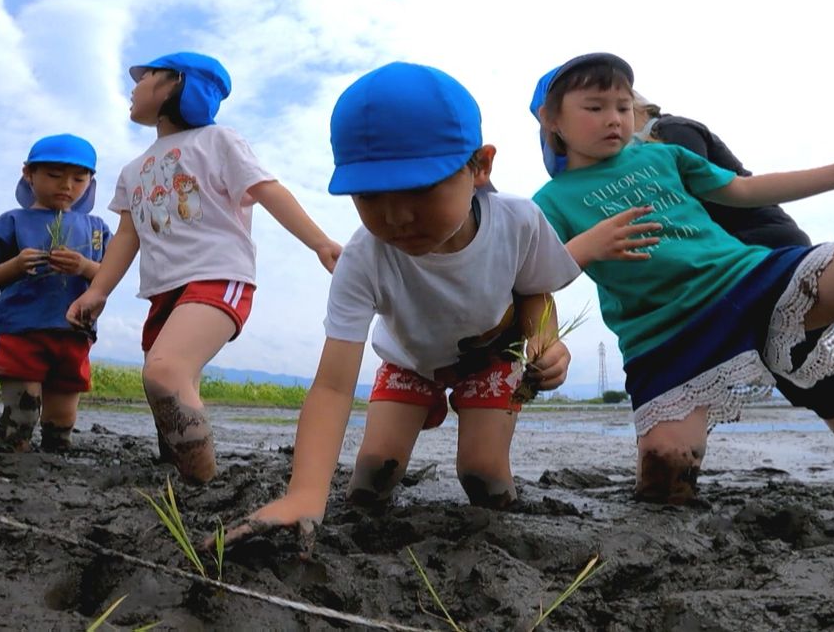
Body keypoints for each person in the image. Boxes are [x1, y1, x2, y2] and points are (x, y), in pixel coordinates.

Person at [531, 52, 834, 504]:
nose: (615, 120)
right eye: (595, 107)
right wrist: (584, 253)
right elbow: (534, 279)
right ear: (552, 121)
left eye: (623, 107)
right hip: (666, 337)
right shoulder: (548, 202)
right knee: (665, 482)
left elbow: (745, 190)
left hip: (748, 281)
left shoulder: (664, 156)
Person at [218, 62, 583, 552]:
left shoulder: (517, 222)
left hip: (490, 358)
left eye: (418, 189)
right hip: (410, 362)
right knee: (371, 478)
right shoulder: (365, 256)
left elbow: (537, 292)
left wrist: (546, 340)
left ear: (480, 166)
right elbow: (331, 387)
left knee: (483, 477)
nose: (395, 216)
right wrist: (305, 495)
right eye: (369, 195)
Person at [65, 52, 343, 483]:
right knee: (167, 381)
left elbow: (268, 191)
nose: (133, 87)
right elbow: (128, 235)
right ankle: (175, 475)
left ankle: (202, 488)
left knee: (165, 371)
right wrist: (97, 290)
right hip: (162, 289)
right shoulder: (132, 169)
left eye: (144, 77)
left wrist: (319, 242)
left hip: (217, 277)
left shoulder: (218, 141)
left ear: (174, 83)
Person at [0, 134, 111, 452]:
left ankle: (54, 460)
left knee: (62, 417)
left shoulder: (96, 228)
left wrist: (84, 267)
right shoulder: (12, 221)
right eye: (53, 175)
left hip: (73, 331)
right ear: (29, 174)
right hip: (19, 329)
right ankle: (12, 455)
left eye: (79, 179)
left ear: (90, 182)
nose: (66, 186)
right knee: (23, 408)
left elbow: (109, 277)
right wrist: (16, 266)